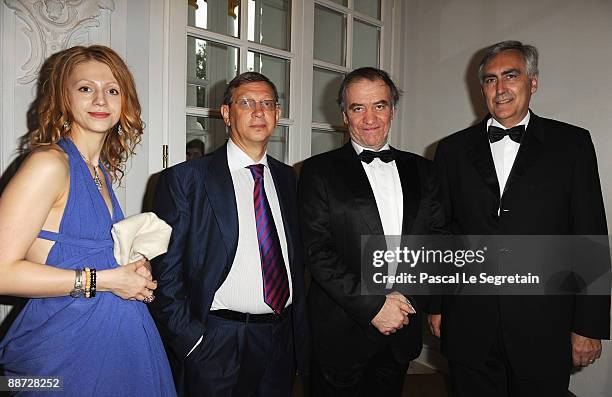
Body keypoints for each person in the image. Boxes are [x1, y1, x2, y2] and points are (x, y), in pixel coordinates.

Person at [428, 40, 610, 396]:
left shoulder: (572, 145)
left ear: (533, 82)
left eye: (511, 76)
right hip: (469, 321)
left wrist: (588, 325)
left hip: (545, 325)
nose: (500, 88)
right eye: (490, 79)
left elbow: (589, 235)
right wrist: (436, 305)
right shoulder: (451, 150)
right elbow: (441, 234)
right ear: (481, 87)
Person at [0, 46, 176, 396]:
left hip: (118, 351)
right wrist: (108, 279)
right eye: (85, 88)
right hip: (66, 356)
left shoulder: (100, 173)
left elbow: (76, 252)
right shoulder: (50, 163)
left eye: (112, 90)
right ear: (63, 96)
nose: (100, 99)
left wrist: (130, 267)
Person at [150, 72, 309, 397]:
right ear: (226, 113)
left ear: (277, 114)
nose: (258, 112)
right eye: (246, 103)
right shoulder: (185, 179)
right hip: (215, 340)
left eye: (267, 104)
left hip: (280, 340)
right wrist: (190, 340)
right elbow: (163, 271)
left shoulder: (288, 179)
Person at [298, 67, 446, 397]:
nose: (370, 118)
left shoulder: (424, 170)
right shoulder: (318, 171)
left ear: (393, 108)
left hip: (401, 327)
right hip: (340, 333)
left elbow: (435, 240)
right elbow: (317, 252)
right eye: (357, 108)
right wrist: (374, 307)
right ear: (343, 114)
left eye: (379, 105)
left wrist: (405, 300)